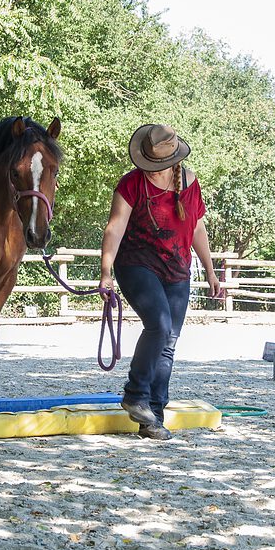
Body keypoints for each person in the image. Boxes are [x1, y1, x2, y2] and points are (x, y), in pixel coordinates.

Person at [99, 124, 225, 440]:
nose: (153, 171)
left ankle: (152, 417)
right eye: (148, 165)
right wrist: (105, 272)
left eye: (158, 166)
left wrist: (210, 271)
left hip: (178, 270)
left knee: (168, 344)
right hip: (137, 264)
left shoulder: (189, 182)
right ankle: (135, 394)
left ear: (172, 160)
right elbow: (114, 228)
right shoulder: (130, 184)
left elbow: (197, 229)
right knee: (159, 325)